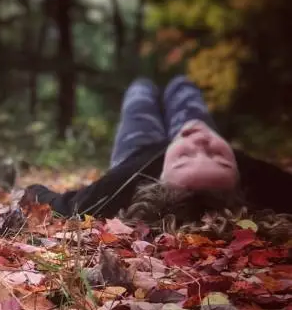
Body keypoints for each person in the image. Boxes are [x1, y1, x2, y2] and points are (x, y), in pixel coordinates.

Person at [23, 76, 292, 238]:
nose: (198, 139)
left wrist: (31, 190)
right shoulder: (262, 182)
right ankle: (176, 84)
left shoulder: (121, 185)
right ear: (240, 182)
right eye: (219, 156)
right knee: (183, 86)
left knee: (140, 90)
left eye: (185, 157)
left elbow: (54, 204)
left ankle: (146, 83)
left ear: (159, 179)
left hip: (137, 147)